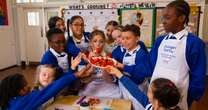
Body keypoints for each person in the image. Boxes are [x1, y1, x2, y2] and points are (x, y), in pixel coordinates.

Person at [130, 0, 206, 109]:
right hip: (155, 98)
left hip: (178, 100)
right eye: (163, 18)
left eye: (168, 18)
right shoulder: (160, 41)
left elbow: (198, 78)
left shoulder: (194, 43)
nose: (163, 22)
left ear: (181, 18)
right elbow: (148, 66)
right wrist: (123, 67)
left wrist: (188, 100)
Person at [0, 67, 91, 110]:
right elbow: (51, 89)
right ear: (20, 91)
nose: (29, 86)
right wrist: (75, 75)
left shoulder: (9, 101)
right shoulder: (24, 102)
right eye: (25, 84)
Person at [105, 66, 181, 110]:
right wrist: (118, 73)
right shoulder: (151, 106)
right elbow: (135, 91)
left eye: (149, 91)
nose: (147, 92)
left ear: (157, 102)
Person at [111, 24, 149, 109]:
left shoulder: (141, 54)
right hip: (125, 86)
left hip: (137, 88)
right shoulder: (126, 51)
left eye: (127, 38)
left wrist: (122, 67)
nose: (123, 41)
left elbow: (139, 76)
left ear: (137, 39)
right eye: (123, 38)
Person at [78, 30, 121, 98]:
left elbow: (109, 80)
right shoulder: (85, 56)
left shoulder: (109, 56)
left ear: (104, 43)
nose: (98, 44)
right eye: (95, 41)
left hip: (107, 85)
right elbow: (84, 81)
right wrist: (92, 63)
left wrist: (103, 62)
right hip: (91, 85)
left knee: (117, 96)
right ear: (91, 43)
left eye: (101, 41)